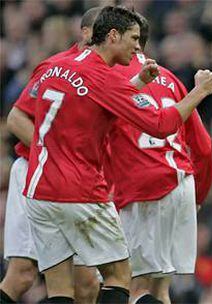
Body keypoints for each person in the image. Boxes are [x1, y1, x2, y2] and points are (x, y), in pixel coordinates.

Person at [22, 6, 212, 304]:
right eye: (134, 38)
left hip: (39, 190)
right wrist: (199, 92)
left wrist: (138, 82)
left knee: (60, 288)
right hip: (79, 191)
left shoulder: (57, 67)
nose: (139, 46)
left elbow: (96, 107)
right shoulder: (104, 78)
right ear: (113, 36)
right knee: (120, 278)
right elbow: (160, 124)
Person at [109, 14, 212, 304]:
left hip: (145, 186)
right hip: (181, 182)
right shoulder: (171, 78)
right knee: (160, 289)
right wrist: (198, 196)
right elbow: (203, 147)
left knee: (134, 288)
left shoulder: (111, 78)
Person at [1, 8, 102, 304]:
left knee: (87, 284)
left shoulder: (118, 75)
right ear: (86, 34)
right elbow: (17, 120)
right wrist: (55, 156)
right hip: (36, 172)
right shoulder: (56, 68)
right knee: (22, 274)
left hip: (84, 181)